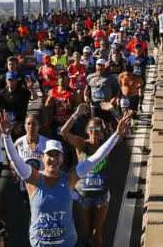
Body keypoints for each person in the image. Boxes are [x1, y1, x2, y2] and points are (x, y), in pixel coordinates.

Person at [2, 111, 130, 247]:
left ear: (62, 158)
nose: (53, 159)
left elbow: (97, 157)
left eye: (57, 155)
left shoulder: (70, 178)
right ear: (42, 157)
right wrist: (6, 136)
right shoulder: (32, 178)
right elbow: (15, 160)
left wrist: (116, 134)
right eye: (49, 155)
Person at [60, 103, 113, 247]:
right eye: (92, 128)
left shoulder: (106, 146)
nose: (94, 131)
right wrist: (76, 114)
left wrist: (113, 111)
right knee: (85, 233)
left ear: (101, 130)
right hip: (82, 195)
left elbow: (122, 131)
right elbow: (64, 132)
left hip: (101, 195)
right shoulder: (81, 144)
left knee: (97, 233)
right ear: (87, 130)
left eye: (97, 128)